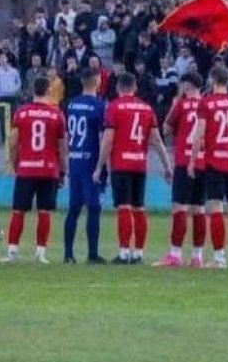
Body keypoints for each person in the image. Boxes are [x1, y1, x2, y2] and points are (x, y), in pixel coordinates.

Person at [93, 73, 171, 265]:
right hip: (139, 164)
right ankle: (138, 253)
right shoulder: (146, 108)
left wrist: (99, 167)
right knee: (139, 208)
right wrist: (167, 166)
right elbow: (157, 140)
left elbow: (108, 140)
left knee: (124, 208)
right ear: (135, 88)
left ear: (118, 88)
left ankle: (124, 252)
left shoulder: (114, 107)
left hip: (121, 164)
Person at [190, 66, 228, 269]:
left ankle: (219, 258)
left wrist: (192, 160)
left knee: (215, 207)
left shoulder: (206, 103)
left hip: (214, 162)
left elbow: (198, 135)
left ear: (213, 80)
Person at [1, 76, 68, 263]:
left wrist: (16, 164)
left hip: (26, 170)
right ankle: (41, 253)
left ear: (32, 91)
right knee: (44, 211)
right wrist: (63, 171)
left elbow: (13, 144)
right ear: (48, 91)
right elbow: (62, 148)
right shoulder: (57, 115)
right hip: (49, 170)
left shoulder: (21, 113)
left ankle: (12, 252)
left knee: (18, 211)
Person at [153, 72, 207, 268]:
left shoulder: (182, 105)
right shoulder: (207, 105)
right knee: (199, 209)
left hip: (185, 161)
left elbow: (166, 128)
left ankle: (175, 255)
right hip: (203, 162)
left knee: (180, 208)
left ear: (187, 85)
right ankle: (197, 257)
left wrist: (179, 131)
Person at [63, 68, 107, 264]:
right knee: (94, 207)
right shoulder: (100, 106)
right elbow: (101, 137)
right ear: (97, 82)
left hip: (74, 160)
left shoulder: (71, 104)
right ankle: (92, 254)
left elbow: (66, 136)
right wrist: (101, 166)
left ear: (82, 82)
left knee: (73, 208)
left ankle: (68, 254)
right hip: (90, 161)